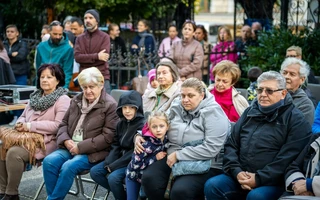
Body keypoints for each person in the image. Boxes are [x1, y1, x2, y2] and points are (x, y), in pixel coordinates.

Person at [204, 71, 312, 200]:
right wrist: (237, 172)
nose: (263, 95)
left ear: (283, 93)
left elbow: (288, 159)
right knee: (213, 185)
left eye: (269, 91)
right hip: (240, 174)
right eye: (260, 90)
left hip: (275, 181)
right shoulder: (250, 112)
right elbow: (232, 143)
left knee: (257, 197)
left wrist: (259, 178)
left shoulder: (296, 120)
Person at [136, 77, 230, 200]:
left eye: (190, 95)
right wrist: (139, 135)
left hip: (204, 162)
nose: (185, 100)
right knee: (150, 178)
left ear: (202, 95)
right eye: (183, 95)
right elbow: (157, 121)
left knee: (181, 191)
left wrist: (179, 155)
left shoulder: (214, 113)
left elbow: (211, 148)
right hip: (172, 156)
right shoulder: (177, 106)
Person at [42, 67, 119, 200]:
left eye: (92, 87)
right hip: (69, 146)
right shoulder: (76, 100)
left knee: (68, 166)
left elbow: (108, 137)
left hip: (93, 152)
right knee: (49, 161)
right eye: (84, 87)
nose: (88, 91)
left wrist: (80, 147)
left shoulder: (110, 105)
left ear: (101, 85)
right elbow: (63, 124)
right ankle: (54, 197)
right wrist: (66, 140)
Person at [0, 64, 70, 200]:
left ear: (58, 80)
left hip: (47, 142)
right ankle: (2, 191)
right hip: (26, 138)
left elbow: (58, 125)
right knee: (1, 147)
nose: (44, 80)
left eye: (49, 77)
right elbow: (23, 116)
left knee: (14, 153)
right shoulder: (35, 97)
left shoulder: (63, 99)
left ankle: (11, 194)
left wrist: (30, 125)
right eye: (42, 77)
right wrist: (20, 123)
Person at [89, 90, 145, 200]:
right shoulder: (120, 123)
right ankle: (121, 193)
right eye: (124, 108)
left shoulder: (143, 125)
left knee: (114, 178)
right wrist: (109, 161)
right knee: (95, 172)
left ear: (137, 108)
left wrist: (114, 166)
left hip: (132, 161)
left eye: (131, 107)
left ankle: (120, 194)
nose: (127, 111)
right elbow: (116, 144)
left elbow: (135, 151)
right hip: (118, 158)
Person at [126, 111, 169, 200]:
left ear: (167, 127)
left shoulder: (165, 139)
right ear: (149, 128)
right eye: (154, 127)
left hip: (146, 178)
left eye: (161, 126)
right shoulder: (145, 144)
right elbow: (135, 165)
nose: (158, 129)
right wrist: (155, 158)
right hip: (134, 176)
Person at [74, 9, 112, 94]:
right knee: (84, 105)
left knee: (105, 104)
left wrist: (86, 59)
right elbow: (77, 57)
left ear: (97, 21)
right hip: (84, 77)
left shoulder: (104, 37)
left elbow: (103, 58)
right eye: (85, 18)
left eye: (91, 18)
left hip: (101, 76)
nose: (87, 20)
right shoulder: (79, 38)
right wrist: (96, 56)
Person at [3, 24, 30, 125]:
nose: (9, 33)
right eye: (8, 31)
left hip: (20, 73)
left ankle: (20, 117)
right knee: (9, 97)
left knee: (20, 97)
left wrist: (8, 56)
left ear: (17, 33)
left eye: (12, 31)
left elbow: (21, 56)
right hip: (8, 74)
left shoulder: (22, 44)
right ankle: (14, 116)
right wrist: (12, 54)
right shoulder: (4, 44)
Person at [36, 20, 74, 89]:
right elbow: (38, 68)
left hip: (58, 85)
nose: (58, 37)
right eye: (55, 34)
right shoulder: (41, 47)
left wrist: (64, 88)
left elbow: (67, 71)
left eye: (60, 34)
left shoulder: (68, 49)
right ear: (49, 32)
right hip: (43, 83)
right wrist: (38, 86)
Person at [280, 57, 315, 126]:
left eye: (292, 74)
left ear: (302, 80)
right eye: (284, 73)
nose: (286, 76)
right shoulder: (270, 94)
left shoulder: (306, 105)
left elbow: (300, 133)